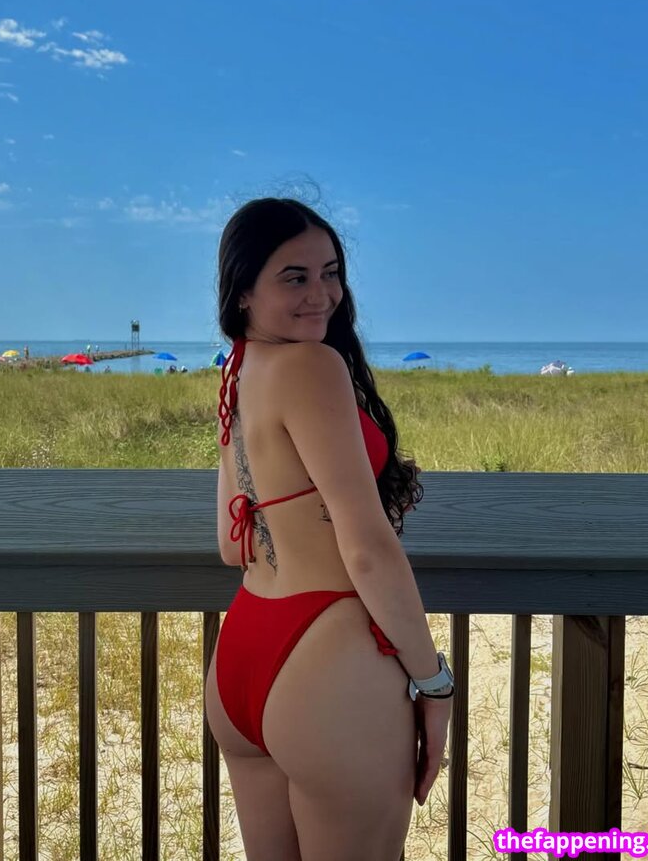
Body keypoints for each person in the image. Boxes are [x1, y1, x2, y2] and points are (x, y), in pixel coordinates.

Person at [204, 198, 453, 860]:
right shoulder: (313, 367)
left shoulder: (238, 369)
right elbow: (367, 550)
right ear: (243, 289)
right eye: (295, 277)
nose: (322, 294)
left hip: (244, 654)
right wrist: (434, 683)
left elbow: (230, 543)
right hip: (324, 662)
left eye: (331, 273)